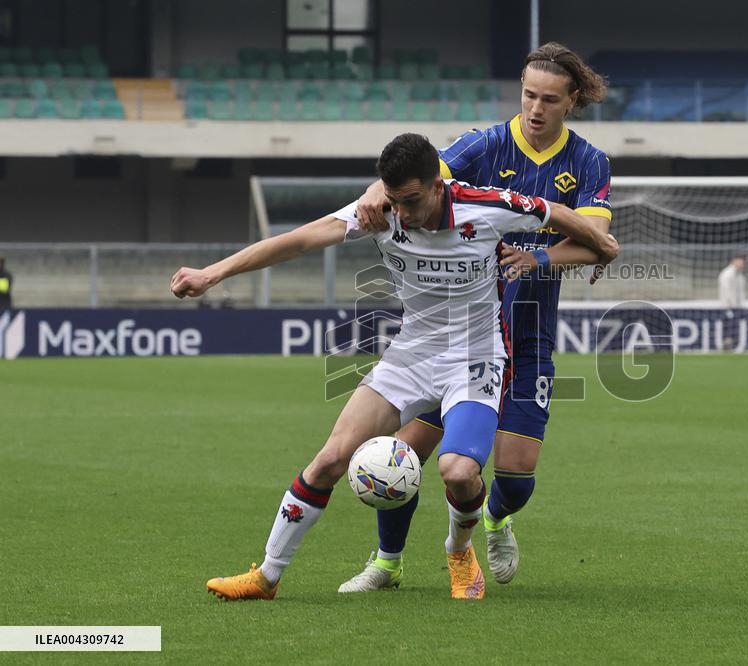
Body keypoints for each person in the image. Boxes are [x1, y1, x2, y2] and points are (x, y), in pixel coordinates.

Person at [176, 133, 617, 601]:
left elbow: (554, 212)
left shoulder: (486, 207)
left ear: (437, 186)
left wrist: (600, 244)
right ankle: (266, 576)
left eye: (411, 201)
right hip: (409, 357)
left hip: (476, 358)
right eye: (394, 201)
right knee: (329, 459)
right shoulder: (377, 212)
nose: (402, 214)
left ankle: (458, 550)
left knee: (459, 471)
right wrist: (212, 273)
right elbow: (297, 241)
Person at [339, 42, 613, 593]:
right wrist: (375, 190)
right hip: (459, 333)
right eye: (529, 94)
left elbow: (597, 242)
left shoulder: (588, 162)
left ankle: (494, 517)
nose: (536, 108)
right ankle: (387, 564)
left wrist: (536, 256)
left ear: (572, 101)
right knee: (401, 455)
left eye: (550, 99)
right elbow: (413, 174)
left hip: (529, 327)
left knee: (515, 477)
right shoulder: (484, 144)